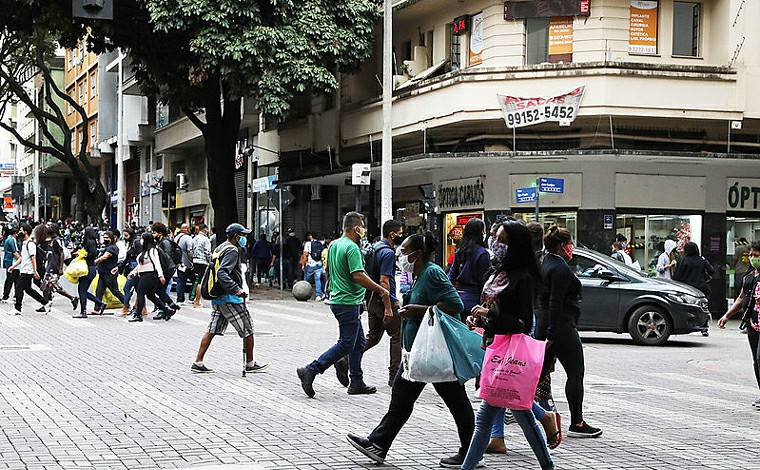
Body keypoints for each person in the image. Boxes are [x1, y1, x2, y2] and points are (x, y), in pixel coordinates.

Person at [346, 232, 475, 468]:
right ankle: (378, 444)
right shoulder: (417, 275)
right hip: (418, 351)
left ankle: (471, 452)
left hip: (434, 352)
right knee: (402, 398)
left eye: (404, 252)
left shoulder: (432, 272)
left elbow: (455, 304)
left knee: (457, 402)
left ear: (418, 254)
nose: (400, 256)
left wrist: (418, 309)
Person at [461, 220, 559, 470]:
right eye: (496, 238)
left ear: (515, 244)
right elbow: (491, 309)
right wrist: (479, 318)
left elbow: (522, 323)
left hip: (509, 354)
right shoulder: (496, 272)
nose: (497, 244)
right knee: (521, 414)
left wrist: (489, 316)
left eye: (503, 240)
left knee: (485, 419)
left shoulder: (522, 278)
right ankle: (547, 459)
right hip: (494, 348)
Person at [297, 212, 391, 398]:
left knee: (358, 342)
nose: (364, 230)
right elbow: (358, 275)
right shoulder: (351, 248)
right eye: (362, 226)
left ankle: (356, 381)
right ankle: (311, 370)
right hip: (347, 301)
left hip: (341, 299)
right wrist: (380, 289)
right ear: (356, 228)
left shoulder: (334, 245)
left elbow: (328, 270)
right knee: (346, 343)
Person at [541, 226, 602, 438]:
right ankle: (577, 421)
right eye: (568, 244)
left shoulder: (545, 263)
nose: (571, 248)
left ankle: (529, 413)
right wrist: (551, 333)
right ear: (560, 246)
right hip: (561, 327)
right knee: (575, 373)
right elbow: (555, 301)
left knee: (538, 375)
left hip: (547, 325)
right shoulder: (560, 269)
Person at [191, 223, 269, 374]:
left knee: (212, 329)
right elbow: (222, 273)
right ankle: (250, 363)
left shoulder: (220, 247)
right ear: (236, 236)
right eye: (243, 235)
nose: (245, 238)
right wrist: (237, 290)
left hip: (218, 297)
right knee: (248, 328)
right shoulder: (232, 250)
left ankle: (198, 362)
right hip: (230, 298)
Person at [718, 240, 760, 406]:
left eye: (756, 255)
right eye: (751, 255)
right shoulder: (749, 276)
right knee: (756, 361)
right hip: (752, 323)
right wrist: (727, 316)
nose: (752, 258)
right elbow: (741, 297)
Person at [448, 218, 490, 322]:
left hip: (457, 299)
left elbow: (451, 277)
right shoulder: (483, 253)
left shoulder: (459, 252)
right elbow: (484, 282)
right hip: (474, 302)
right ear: (481, 232)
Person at [127, 232, 170, 323]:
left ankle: (138, 315)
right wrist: (133, 273)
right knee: (150, 295)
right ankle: (166, 310)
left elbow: (157, 263)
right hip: (143, 274)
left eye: (142, 238)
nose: (140, 241)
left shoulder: (153, 250)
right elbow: (140, 265)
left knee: (140, 292)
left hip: (150, 275)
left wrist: (161, 275)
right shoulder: (144, 251)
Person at [673, 241, 714, 337]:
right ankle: (704, 327)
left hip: (688, 289)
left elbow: (677, 276)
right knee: (703, 308)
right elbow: (712, 271)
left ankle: (687, 324)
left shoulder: (682, 260)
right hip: (702, 288)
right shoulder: (702, 260)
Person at [9, 223, 50, 315]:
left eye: (21, 230)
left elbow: (33, 257)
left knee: (19, 287)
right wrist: (13, 266)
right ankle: (45, 302)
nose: (19, 232)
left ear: (25, 232)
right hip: (24, 270)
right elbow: (22, 258)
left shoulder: (30, 244)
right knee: (28, 289)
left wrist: (35, 271)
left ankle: (17, 308)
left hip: (28, 271)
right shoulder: (24, 243)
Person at [40, 223, 78, 310]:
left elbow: (62, 253)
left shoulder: (57, 240)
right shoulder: (52, 240)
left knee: (53, 286)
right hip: (50, 266)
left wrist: (60, 268)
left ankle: (72, 298)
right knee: (46, 286)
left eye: (51, 227)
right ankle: (46, 304)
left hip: (54, 267)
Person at [73, 227, 108, 319]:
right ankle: (100, 303)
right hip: (89, 268)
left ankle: (83, 311)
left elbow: (93, 253)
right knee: (83, 290)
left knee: (82, 290)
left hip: (88, 269)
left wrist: (83, 255)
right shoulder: (92, 242)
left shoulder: (90, 242)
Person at [92, 230, 125, 313]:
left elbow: (105, 257)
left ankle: (127, 304)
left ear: (112, 238)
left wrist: (94, 262)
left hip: (109, 273)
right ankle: (97, 309)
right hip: (102, 273)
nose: (105, 239)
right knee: (99, 291)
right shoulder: (107, 247)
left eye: (107, 238)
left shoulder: (112, 248)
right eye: (104, 238)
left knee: (115, 291)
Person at [151, 222, 180, 318]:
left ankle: (162, 310)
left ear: (160, 233)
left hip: (167, 269)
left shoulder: (165, 242)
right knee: (158, 289)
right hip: (164, 269)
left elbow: (166, 257)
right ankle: (171, 304)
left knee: (161, 289)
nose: (153, 234)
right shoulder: (159, 242)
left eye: (154, 232)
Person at [119, 228, 142, 316]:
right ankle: (141, 308)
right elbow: (127, 258)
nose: (125, 238)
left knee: (127, 288)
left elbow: (140, 257)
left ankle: (126, 307)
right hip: (132, 268)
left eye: (126, 235)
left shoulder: (136, 242)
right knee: (138, 290)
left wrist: (137, 271)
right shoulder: (131, 243)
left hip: (135, 269)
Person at [191, 223, 212, 308]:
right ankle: (197, 301)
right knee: (201, 281)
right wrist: (210, 261)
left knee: (197, 280)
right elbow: (207, 252)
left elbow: (191, 250)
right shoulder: (205, 239)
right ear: (204, 230)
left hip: (195, 260)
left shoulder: (194, 238)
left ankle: (194, 298)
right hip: (203, 261)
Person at [302, 232, 326, 301]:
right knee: (317, 279)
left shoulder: (308, 244)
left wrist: (303, 264)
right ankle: (318, 295)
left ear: (311, 236)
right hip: (319, 264)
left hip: (311, 264)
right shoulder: (321, 243)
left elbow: (305, 255)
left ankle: (304, 293)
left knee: (306, 280)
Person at [175, 223, 195, 303]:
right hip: (187, 264)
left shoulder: (177, 237)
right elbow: (190, 251)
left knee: (181, 281)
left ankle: (180, 298)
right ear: (186, 229)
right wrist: (193, 262)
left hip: (179, 263)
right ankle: (191, 297)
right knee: (195, 280)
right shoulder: (188, 238)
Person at [1, 226, 20, 302]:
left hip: (10, 261)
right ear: (15, 233)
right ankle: (6, 296)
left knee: (14, 279)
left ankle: (15, 295)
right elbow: (14, 251)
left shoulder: (8, 239)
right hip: (13, 262)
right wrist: (20, 259)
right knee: (11, 279)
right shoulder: (12, 240)